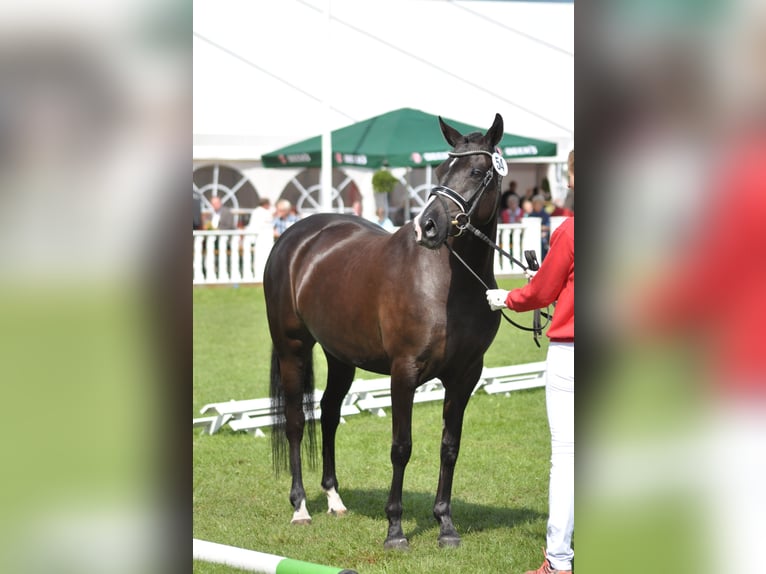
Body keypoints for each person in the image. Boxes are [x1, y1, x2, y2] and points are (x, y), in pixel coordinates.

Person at [486, 149, 574, 574]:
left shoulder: (570, 231)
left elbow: (542, 293)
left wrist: (508, 297)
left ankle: (559, 561)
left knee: (567, 457)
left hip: (571, 355)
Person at [527, 194, 552, 259]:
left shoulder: (545, 214)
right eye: (536, 204)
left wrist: (539, 228)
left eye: (539, 204)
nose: (538, 205)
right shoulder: (531, 215)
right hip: (532, 236)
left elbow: (548, 227)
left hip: (543, 237)